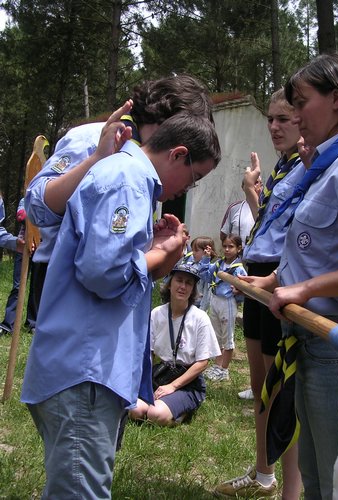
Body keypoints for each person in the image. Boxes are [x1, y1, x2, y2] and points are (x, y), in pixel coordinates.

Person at [20, 112, 221, 498]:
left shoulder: (129, 179)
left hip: (88, 369)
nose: (187, 187)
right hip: (85, 373)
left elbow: (102, 259)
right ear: (178, 154)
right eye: (194, 177)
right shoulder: (127, 180)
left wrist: (147, 249)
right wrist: (158, 253)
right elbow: (103, 272)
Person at [260, 53, 338, 500]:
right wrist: (279, 279)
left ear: (336, 99)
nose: (296, 115)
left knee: (337, 479)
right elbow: (319, 249)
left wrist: (304, 288)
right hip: (310, 342)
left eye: (302, 102)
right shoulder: (325, 166)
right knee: (312, 470)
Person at [25, 74, 214, 307]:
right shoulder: (94, 137)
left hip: (116, 288)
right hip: (67, 285)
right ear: (166, 119)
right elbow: (35, 207)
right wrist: (96, 161)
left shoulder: (150, 168)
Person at [214, 88, 305, 499]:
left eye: (283, 119)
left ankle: (289, 489)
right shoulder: (283, 166)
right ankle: (263, 473)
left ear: (304, 120)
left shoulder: (310, 163)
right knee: (259, 382)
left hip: (279, 277)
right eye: (270, 118)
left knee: (279, 386)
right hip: (256, 272)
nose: (273, 126)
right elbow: (269, 224)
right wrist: (252, 191)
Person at [129, 263, 221, 426]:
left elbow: (203, 362)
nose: (183, 286)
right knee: (135, 410)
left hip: (187, 382)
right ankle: (165, 407)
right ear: (170, 284)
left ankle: (182, 412)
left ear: (193, 290)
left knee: (155, 414)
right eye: (179, 280)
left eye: (189, 283)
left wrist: (172, 386)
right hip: (161, 374)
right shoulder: (157, 314)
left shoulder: (200, 318)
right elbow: (148, 353)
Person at [199, 234, 247, 382]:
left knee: (227, 337)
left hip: (227, 303)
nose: (227, 249)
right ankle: (217, 366)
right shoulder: (218, 264)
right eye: (225, 246)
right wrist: (206, 259)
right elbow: (205, 276)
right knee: (216, 335)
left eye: (231, 246)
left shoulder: (239, 269)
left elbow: (245, 290)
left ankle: (224, 369)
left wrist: (237, 296)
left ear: (239, 249)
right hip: (215, 301)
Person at [0, 198, 37, 335]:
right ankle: (8, 324)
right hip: (24, 247)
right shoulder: (26, 199)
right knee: (18, 286)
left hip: (40, 248)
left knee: (36, 288)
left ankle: (32, 323)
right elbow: (21, 215)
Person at [220, 177, 262, 247]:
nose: (252, 185)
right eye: (249, 183)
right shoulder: (234, 208)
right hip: (239, 255)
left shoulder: (266, 206)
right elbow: (224, 234)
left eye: (256, 182)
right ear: (243, 187)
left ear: (261, 186)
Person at [191, 236, 218, 311]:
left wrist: (202, 310)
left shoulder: (209, 270)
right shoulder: (191, 265)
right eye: (192, 250)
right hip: (189, 302)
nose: (193, 253)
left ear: (206, 252)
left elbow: (207, 293)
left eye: (196, 250)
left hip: (199, 306)